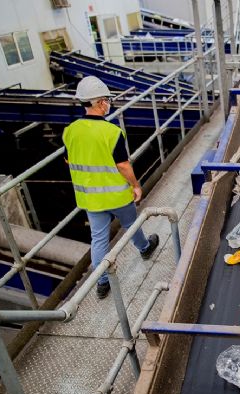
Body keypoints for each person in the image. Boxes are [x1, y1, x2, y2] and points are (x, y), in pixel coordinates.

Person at [63, 76, 159, 299]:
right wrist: (136, 186)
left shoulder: (70, 131)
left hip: (90, 199)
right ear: (98, 103)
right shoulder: (112, 132)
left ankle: (102, 282)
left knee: (98, 239)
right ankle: (145, 249)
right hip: (117, 196)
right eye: (106, 99)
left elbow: (68, 160)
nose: (109, 103)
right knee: (131, 225)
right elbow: (123, 166)